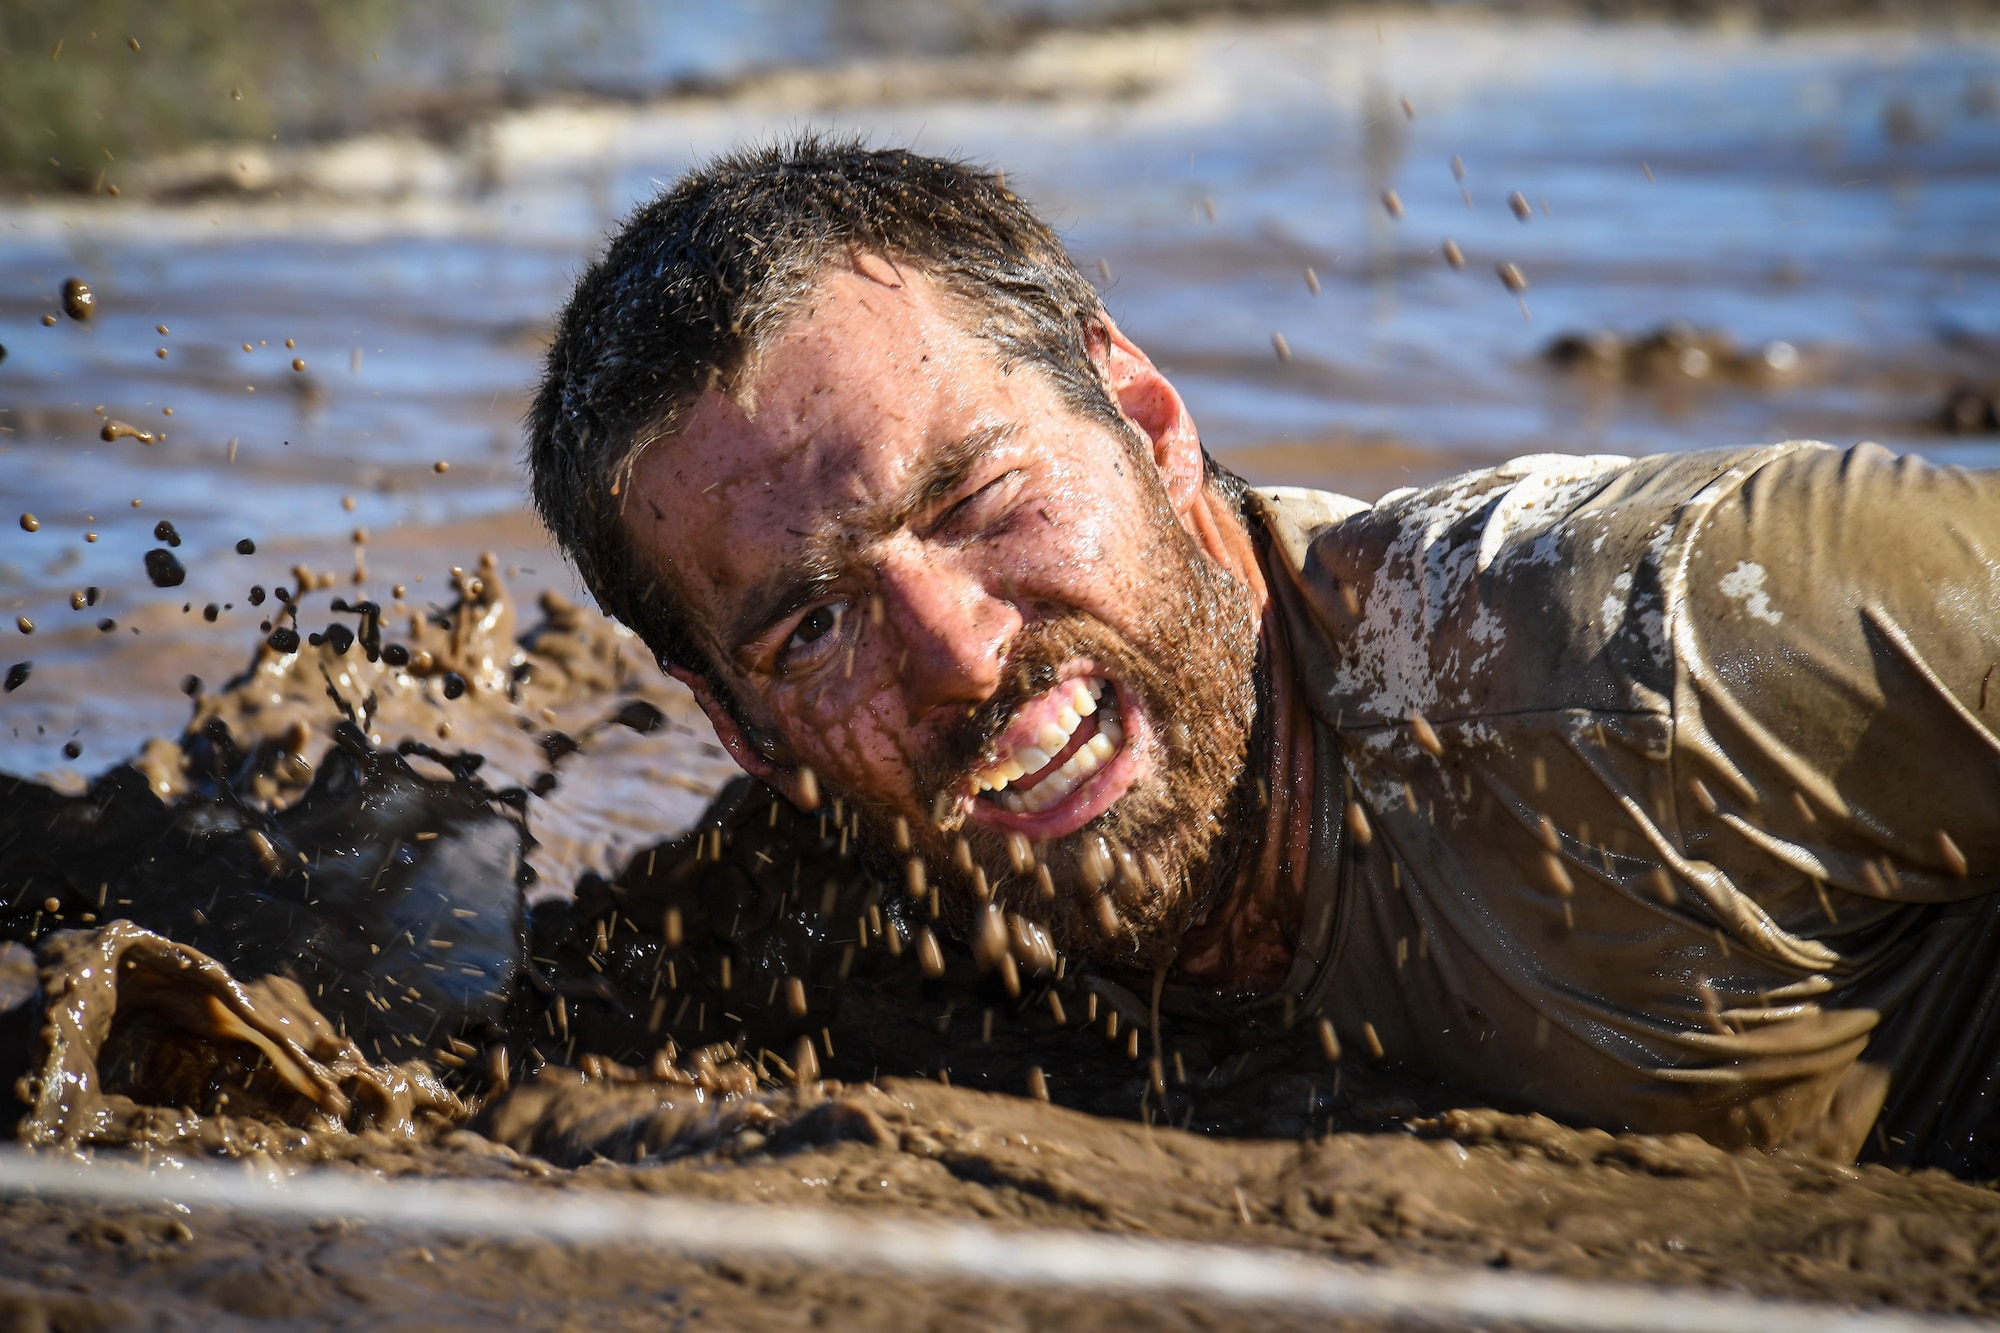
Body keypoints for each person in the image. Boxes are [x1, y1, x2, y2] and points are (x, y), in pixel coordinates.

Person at [526, 136, 2000, 1171]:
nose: (960, 658)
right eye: (814, 624)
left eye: (978, 500)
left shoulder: (1659, 645)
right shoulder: (831, 908)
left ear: (1150, 421)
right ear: (742, 729)